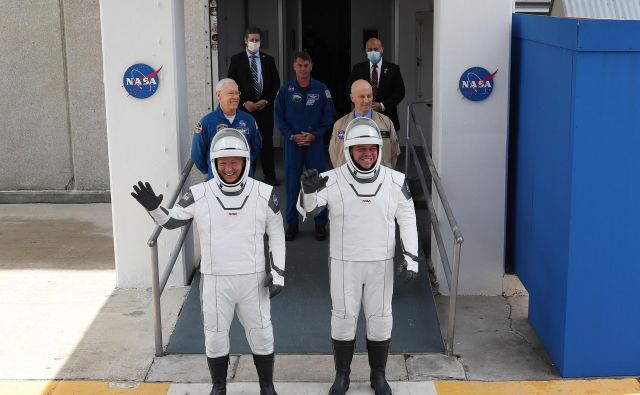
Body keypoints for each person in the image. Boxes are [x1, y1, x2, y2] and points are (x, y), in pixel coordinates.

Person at [132, 128, 284, 395]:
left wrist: (278, 271)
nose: (228, 168)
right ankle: (219, 386)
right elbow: (171, 221)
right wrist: (154, 209)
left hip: (254, 278)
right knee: (215, 335)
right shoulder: (199, 193)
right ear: (214, 163)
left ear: (245, 161)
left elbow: (277, 233)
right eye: (223, 162)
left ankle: (267, 386)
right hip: (215, 279)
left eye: (234, 162)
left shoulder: (264, 193)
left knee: (261, 332)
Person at [297, 117, 419, 395]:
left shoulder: (395, 181)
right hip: (344, 262)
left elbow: (408, 218)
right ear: (349, 150)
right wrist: (308, 190)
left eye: (373, 148)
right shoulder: (331, 178)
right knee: (342, 316)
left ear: (379, 148)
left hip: (381, 262)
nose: (368, 153)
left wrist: (411, 257)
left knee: (380, 317)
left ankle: (379, 375)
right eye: (361, 148)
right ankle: (342, 375)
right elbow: (310, 212)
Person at [274, 51, 335, 241]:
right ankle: (291, 224)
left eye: (306, 65)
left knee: (317, 184)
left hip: (314, 144)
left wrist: (314, 135)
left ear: (311, 66)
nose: (302, 69)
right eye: (299, 65)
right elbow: (278, 117)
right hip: (293, 145)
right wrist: (291, 136)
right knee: (292, 185)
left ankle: (320, 225)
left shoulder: (321, 89)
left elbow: (329, 116)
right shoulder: (285, 90)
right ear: (294, 67)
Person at [228, 27, 281, 186]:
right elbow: (231, 84)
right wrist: (244, 101)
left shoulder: (268, 60)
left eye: (257, 40)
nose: (254, 43)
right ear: (245, 40)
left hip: (264, 108)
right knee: (247, 142)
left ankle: (270, 176)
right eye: (251, 40)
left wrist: (267, 100)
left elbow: (275, 83)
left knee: (266, 142)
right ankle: (248, 177)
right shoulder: (236, 60)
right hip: (245, 110)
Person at [191, 78, 262, 180]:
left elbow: (255, 147)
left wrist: (243, 165)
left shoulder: (249, 120)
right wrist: (211, 170)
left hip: (245, 180)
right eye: (231, 93)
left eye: (237, 93)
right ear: (219, 95)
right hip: (216, 182)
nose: (235, 97)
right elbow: (197, 154)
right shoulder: (206, 123)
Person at [329, 79, 400, 169]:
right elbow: (333, 153)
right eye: (362, 96)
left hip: (380, 178)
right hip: (348, 179)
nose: (366, 101)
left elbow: (394, 152)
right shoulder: (339, 125)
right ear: (352, 98)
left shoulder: (386, 123)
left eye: (369, 96)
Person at [346, 37, 405, 132]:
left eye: (376, 49)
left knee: (387, 146)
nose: (373, 52)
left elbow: (400, 92)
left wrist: (382, 105)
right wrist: (362, 104)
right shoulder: (358, 69)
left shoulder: (393, 69)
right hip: (363, 118)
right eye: (370, 50)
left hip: (387, 118)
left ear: (382, 50)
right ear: (365, 51)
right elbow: (349, 91)